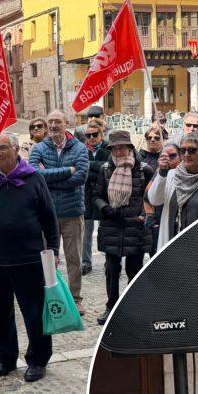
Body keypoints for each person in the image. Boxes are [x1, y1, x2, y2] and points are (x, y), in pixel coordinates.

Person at [0, 131, 59, 382]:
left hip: (28, 258)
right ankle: (5, 359)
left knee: (34, 312)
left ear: (16, 150)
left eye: (3, 148)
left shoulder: (33, 179)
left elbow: (49, 218)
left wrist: (54, 250)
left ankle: (38, 360)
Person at [29, 110, 89, 313]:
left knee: (74, 258)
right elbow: (35, 176)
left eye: (58, 121)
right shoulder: (38, 148)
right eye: (50, 122)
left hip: (72, 212)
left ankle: (75, 297)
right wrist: (66, 172)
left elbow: (80, 177)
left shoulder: (80, 148)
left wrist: (49, 178)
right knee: (47, 258)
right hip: (47, 215)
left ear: (66, 123)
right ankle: (50, 295)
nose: (54, 125)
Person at [92, 130, 153, 325]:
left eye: (122, 147)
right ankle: (111, 306)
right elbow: (96, 196)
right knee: (111, 269)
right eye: (115, 147)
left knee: (134, 269)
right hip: (112, 226)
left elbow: (151, 198)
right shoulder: (105, 169)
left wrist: (144, 215)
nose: (118, 151)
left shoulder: (144, 170)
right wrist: (106, 208)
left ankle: (132, 307)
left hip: (135, 227)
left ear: (129, 147)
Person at [147, 131, 198, 250]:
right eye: (182, 150)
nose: (186, 154)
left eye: (192, 150)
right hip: (174, 245)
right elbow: (154, 199)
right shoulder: (170, 176)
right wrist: (162, 173)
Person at [82, 117, 110, 276]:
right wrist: (97, 169)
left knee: (104, 230)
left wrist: (90, 166)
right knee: (86, 232)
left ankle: (109, 260)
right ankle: (86, 262)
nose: (91, 138)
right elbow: (81, 171)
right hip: (85, 195)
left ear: (101, 135)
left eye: (94, 135)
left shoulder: (108, 149)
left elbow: (108, 168)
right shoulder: (81, 150)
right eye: (88, 135)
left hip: (104, 195)